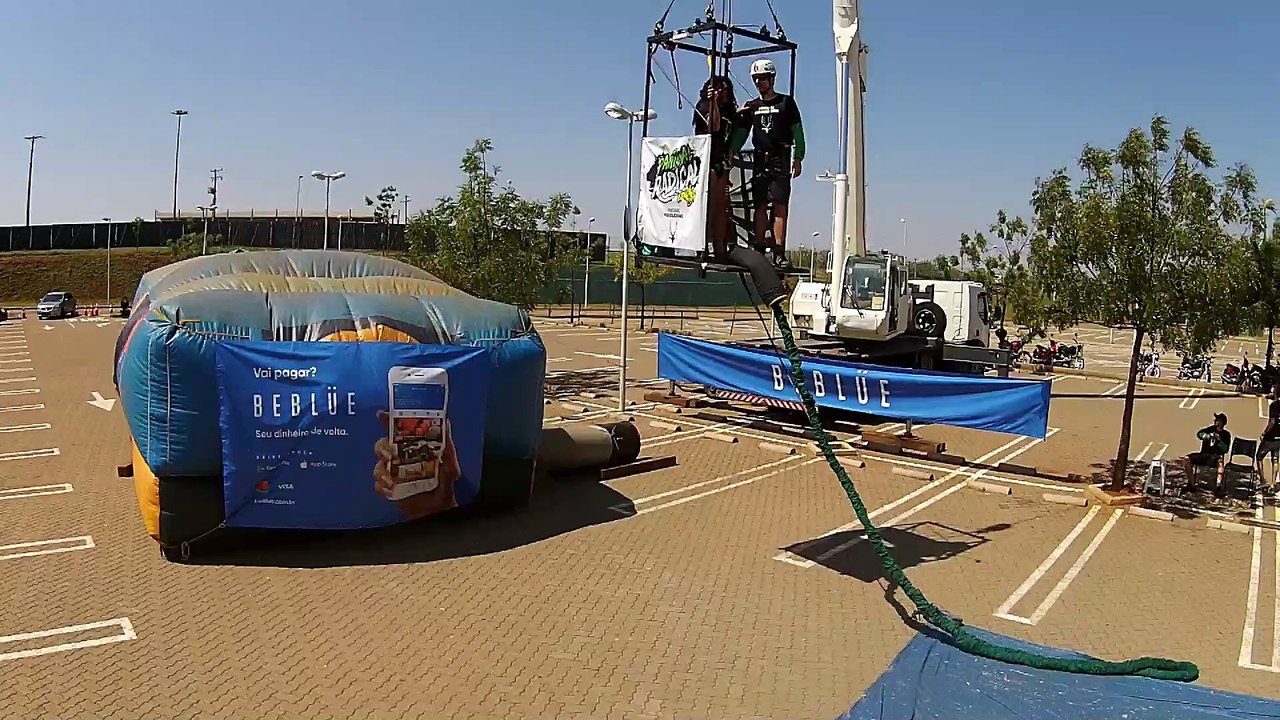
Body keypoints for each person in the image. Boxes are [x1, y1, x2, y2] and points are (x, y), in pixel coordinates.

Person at [729, 58, 806, 268]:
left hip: (781, 156)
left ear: (772, 78)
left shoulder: (786, 103)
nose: (759, 83)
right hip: (760, 158)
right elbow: (743, 132)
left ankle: (779, 251)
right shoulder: (752, 106)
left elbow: (797, 130)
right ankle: (759, 247)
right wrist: (731, 150)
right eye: (756, 79)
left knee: (780, 206)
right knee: (760, 205)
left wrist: (798, 156)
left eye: (762, 78)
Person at [692, 75, 739, 261]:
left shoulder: (729, 110)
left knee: (720, 207)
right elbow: (713, 126)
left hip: (721, 162)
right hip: (707, 162)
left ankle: (719, 246)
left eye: (725, 89)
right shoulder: (704, 105)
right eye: (719, 89)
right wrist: (713, 102)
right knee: (707, 206)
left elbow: (733, 127)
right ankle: (702, 246)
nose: (723, 93)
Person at [1189, 412, 1230, 491]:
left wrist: (1219, 441)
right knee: (1186, 460)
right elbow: (1199, 433)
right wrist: (1204, 436)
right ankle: (1191, 484)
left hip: (1215, 457)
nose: (1216, 421)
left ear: (1223, 423)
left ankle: (1218, 487)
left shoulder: (1226, 435)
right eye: (1216, 420)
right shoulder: (1210, 429)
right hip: (1204, 455)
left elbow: (1226, 450)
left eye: (1218, 420)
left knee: (1221, 464)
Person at [1257, 382, 1280, 490]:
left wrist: (1264, 433)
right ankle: (1273, 482)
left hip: (1271, 437)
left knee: (1259, 456)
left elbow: (1272, 422)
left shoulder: (1274, 406)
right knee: (1275, 459)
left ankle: (1262, 480)